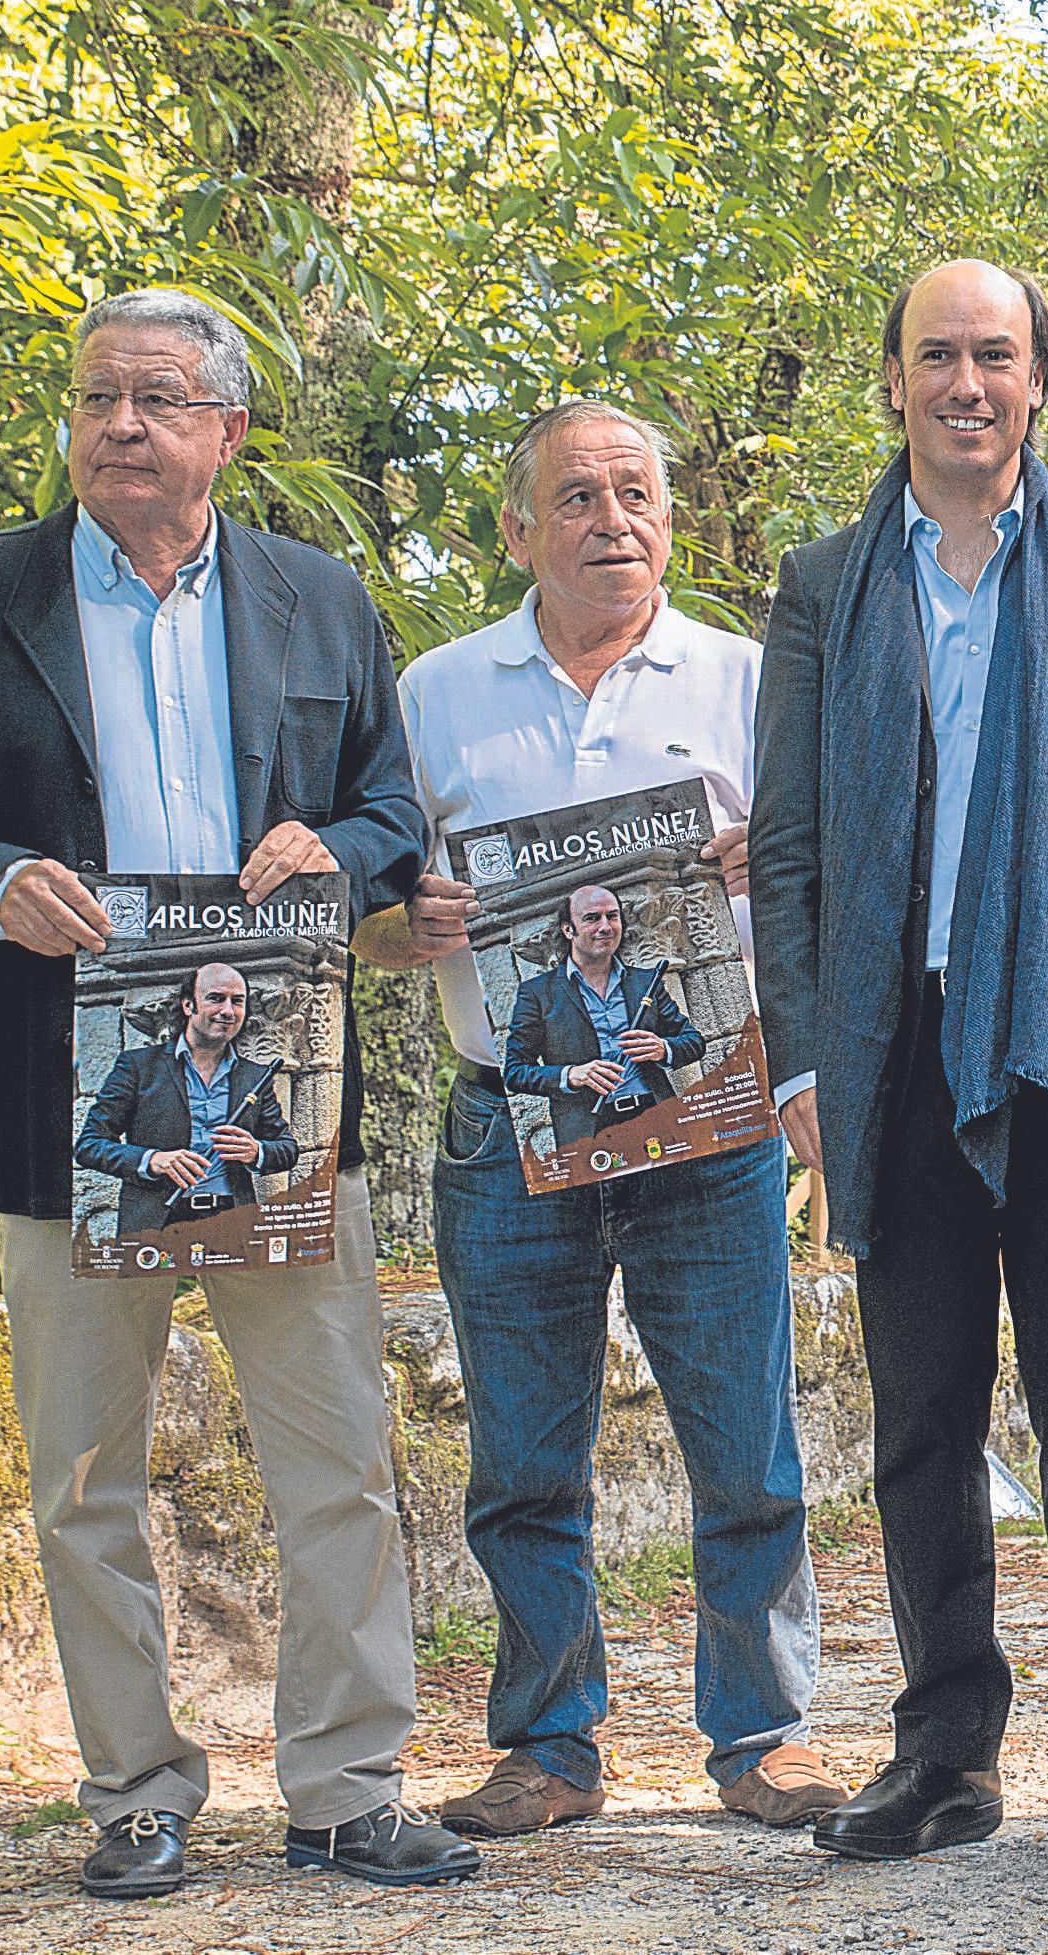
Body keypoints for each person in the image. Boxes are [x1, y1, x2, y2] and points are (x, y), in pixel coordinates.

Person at [0, 287, 475, 1897]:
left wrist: (343, 847)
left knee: (337, 1459)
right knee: (85, 1472)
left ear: (227, 432)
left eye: (160, 396)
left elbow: (389, 801)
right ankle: (134, 1788)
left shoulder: (320, 599)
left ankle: (345, 1783)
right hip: (64, 1107)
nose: (122, 422)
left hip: (283, 1094)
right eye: (99, 394)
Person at [745, 260, 1048, 1868]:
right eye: (938, 353)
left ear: (1038, 380)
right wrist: (803, 1053)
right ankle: (945, 1746)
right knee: (921, 1415)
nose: (967, 380)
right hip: (893, 1043)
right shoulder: (824, 585)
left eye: (995, 354)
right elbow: (793, 845)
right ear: (893, 380)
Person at [367, 399, 841, 1840]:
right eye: (575, 496)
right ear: (517, 530)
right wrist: (407, 918)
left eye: (636, 491)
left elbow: (834, 886)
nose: (612, 519)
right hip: (505, 1125)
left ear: (670, 519)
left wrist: (782, 854)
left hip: (709, 1114)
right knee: (522, 1453)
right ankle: (551, 1741)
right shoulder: (433, 692)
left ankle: (762, 1732)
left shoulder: (756, 680)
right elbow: (372, 919)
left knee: (745, 1440)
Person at [73, 962, 302, 1237]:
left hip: (232, 1221)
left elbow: (287, 1149)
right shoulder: (138, 1066)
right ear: (188, 1006)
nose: (228, 1011)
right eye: (216, 999)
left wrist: (256, 1151)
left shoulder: (255, 1076)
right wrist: (152, 1159)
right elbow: (89, 1145)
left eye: (237, 1002)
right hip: (155, 1223)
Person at [501, 884, 700, 1142]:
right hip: (589, 1132)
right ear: (568, 929)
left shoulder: (644, 982)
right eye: (592, 918)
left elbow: (693, 1041)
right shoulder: (537, 993)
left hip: (658, 1116)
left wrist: (663, 1048)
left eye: (612, 916)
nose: (605, 927)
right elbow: (515, 1072)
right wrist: (571, 1075)